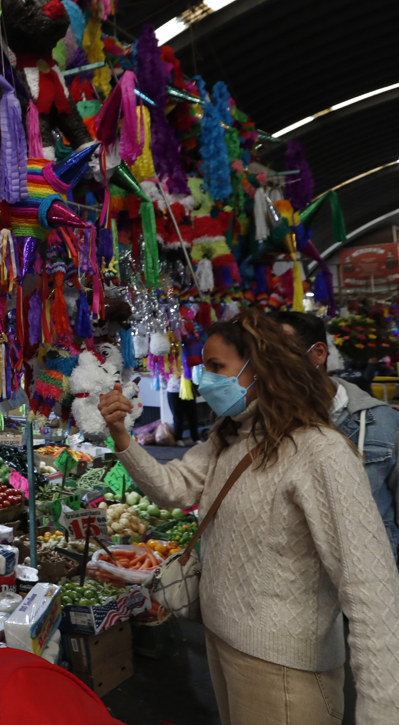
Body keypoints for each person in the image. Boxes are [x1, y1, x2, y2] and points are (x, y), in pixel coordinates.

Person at [98, 310, 399, 725]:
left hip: (284, 673)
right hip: (223, 644)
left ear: (261, 369)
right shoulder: (229, 436)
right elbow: (172, 488)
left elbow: (371, 591)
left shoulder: (321, 452)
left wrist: (381, 711)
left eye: (216, 366)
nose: (204, 378)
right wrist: (121, 437)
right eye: (203, 366)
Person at [272, 310, 399, 560]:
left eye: (280, 351)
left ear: (318, 353)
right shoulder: (258, 427)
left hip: (373, 579)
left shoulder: (381, 424)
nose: (270, 364)